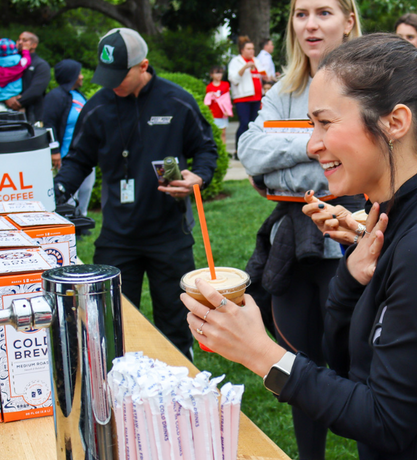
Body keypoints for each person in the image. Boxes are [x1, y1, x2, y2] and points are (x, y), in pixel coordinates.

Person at [189, 34, 417, 460]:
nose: (312, 145)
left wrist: (262, 353)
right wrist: (350, 277)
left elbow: (386, 419)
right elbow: (350, 366)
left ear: (394, 122)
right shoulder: (395, 217)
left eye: (325, 124)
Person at [237, 0, 364, 460]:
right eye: (301, 14)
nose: (311, 25)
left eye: (324, 13)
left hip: (347, 234)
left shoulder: (370, 80)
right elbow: (250, 151)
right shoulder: (285, 89)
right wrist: (320, 140)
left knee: (355, 362)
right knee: (296, 362)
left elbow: (365, 155)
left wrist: (285, 146)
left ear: (348, 21)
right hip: (292, 236)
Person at [55, 27, 221, 357]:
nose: (111, 83)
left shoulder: (176, 100)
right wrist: (57, 192)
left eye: (119, 75)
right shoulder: (98, 107)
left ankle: (178, 390)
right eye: (106, 75)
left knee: (175, 324)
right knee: (111, 324)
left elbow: (206, 149)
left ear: (143, 66)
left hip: (169, 234)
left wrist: (197, 177)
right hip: (118, 236)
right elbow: (78, 160)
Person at [39, 61, 88, 171]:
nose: (82, 76)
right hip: (66, 157)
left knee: (86, 188)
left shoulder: (79, 95)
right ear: (71, 76)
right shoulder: (55, 96)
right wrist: (54, 150)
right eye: (79, 73)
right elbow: (48, 124)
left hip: (84, 155)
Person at [228, 37, 273, 135]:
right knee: (244, 124)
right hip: (243, 98)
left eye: (252, 48)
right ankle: (238, 149)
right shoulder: (236, 61)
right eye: (248, 49)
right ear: (242, 50)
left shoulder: (256, 61)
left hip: (257, 97)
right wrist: (245, 67)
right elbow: (234, 79)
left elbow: (262, 76)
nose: (251, 51)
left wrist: (266, 77)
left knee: (254, 125)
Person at [10, 31, 53, 122]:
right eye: (19, 40)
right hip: (10, 111)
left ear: (34, 45)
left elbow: (36, 90)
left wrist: (17, 102)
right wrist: (7, 98)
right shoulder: (12, 62)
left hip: (33, 113)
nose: (20, 42)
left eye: (25, 40)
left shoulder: (41, 65)